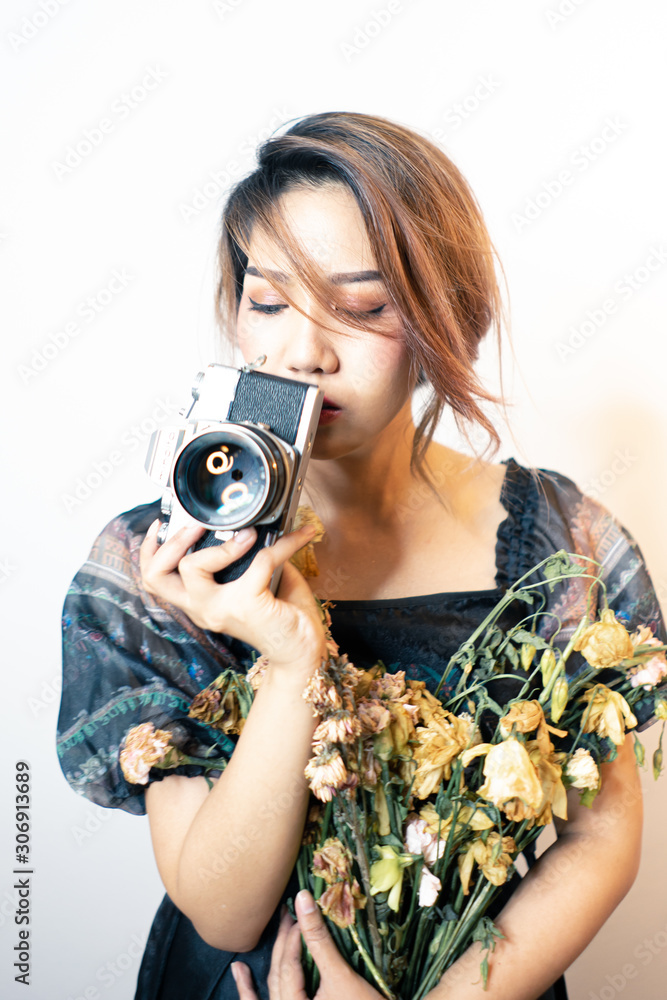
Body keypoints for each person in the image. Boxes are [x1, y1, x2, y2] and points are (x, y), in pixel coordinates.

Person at [57, 111, 665, 1000]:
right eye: (267, 303)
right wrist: (292, 657)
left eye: (361, 308)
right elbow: (222, 910)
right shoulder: (161, 558)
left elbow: (599, 832)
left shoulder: (562, 538)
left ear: (441, 316)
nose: (300, 353)